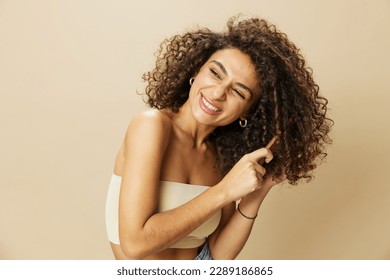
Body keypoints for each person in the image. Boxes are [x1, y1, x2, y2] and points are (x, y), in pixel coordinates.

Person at [105, 16, 333, 260]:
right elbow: (135, 244)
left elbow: (217, 255)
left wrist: (256, 194)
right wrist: (225, 190)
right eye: (215, 73)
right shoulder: (151, 126)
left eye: (238, 91)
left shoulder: (222, 156)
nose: (217, 93)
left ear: (247, 111)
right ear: (197, 69)